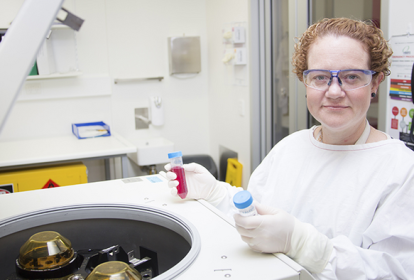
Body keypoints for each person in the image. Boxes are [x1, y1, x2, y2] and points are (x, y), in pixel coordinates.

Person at [161, 18, 414, 279]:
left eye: (351, 77)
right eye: (320, 77)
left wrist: (304, 245)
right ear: (305, 83)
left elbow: (398, 272)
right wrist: (215, 193)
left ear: (374, 83)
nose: (335, 91)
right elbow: (256, 220)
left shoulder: (402, 169)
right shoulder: (291, 147)